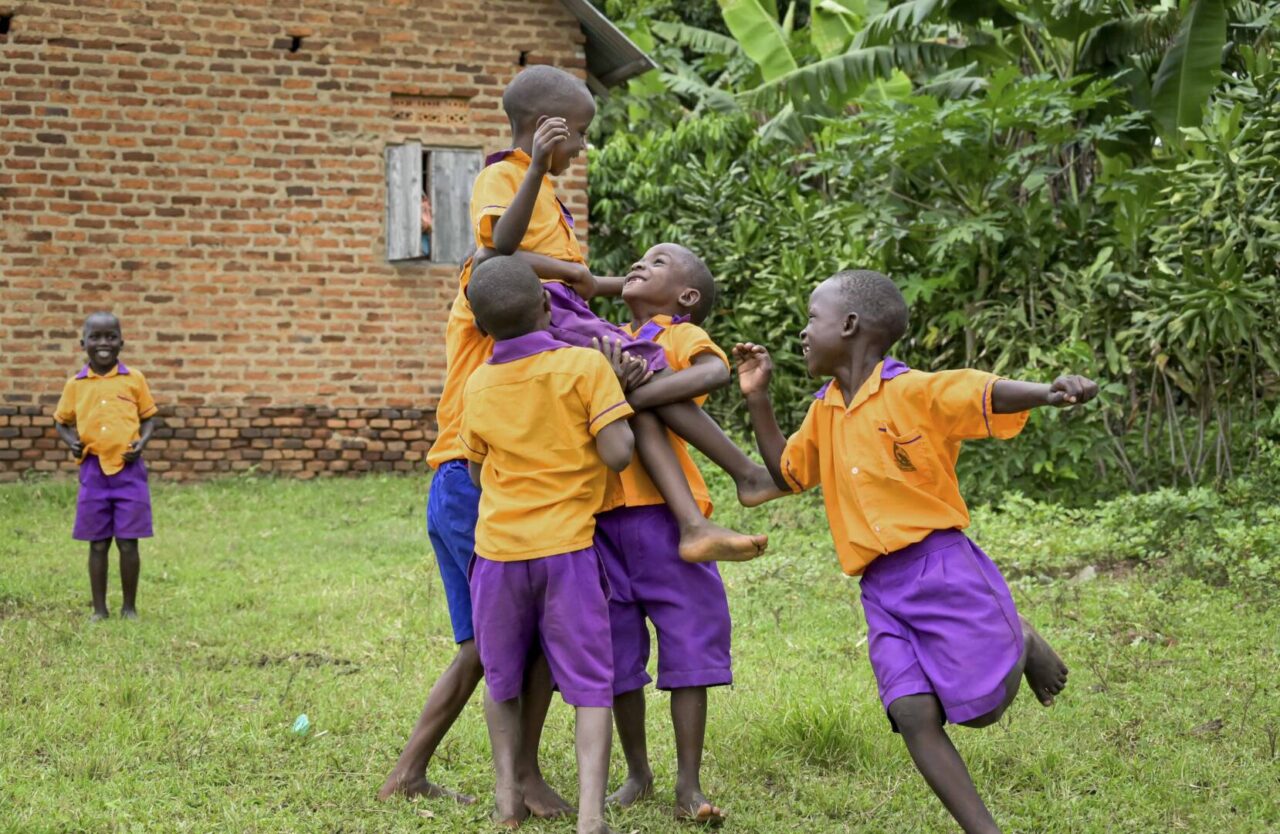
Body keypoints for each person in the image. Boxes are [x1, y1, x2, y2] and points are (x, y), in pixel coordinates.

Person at [735, 269, 1092, 834]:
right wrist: (757, 397)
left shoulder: (913, 391)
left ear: (849, 326)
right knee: (911, 711)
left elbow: (983, 391)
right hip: (880, 587)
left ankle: (1018, 638)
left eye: (812, 318)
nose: (803, 332)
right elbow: (786, 472)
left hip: (942, 566)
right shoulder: (824, 410)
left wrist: (1047, 392)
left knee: (983, 711)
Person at [467, 64, 774, 564]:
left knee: (636, 388)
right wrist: (538, 168)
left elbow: (583, 281)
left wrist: (584, 276)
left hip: (565, 306)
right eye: (579, 133)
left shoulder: (542, 191)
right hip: (548, 311)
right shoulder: (503, 176)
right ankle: (744, 475)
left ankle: (701, 518)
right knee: (647, 372)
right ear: (548, 128)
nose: (582, 146)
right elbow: (499, 248)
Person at [462, 256, 639, 833]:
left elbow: (476, 471)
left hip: (497, 554)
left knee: (501, 679)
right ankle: (590, 817)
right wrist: (618, 397)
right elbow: (618, 454)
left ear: (481, 326)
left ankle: (506, 802)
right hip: (567, 550)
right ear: (546, 305)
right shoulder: (585, 366)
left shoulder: (477, 382)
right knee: (591, 687)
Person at [594, 243, 740, 824]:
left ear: (687, 297)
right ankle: (637, 772)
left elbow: (715, 372)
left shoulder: (675, 336)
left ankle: (689, 784)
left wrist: (633, 392)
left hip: (666, 520)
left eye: (657, 262)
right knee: (616, 653)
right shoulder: (603, 339)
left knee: (689, 641)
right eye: (639, 259)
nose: (639, 265)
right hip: (602, 517)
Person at [53, 312, 158, 621]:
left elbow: (149, 417)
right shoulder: (75, 385)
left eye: (111, 337)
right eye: (95, 337)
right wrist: (71, 442)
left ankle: (129, 608)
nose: (103, 343)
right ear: (83, 343)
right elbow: (61, 421)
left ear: (121, 342)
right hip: (93, 472)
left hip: (129, 473)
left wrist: (142, 442)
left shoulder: (134, 379)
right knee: (98, 544)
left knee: (128, 542)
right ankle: (99, 610)